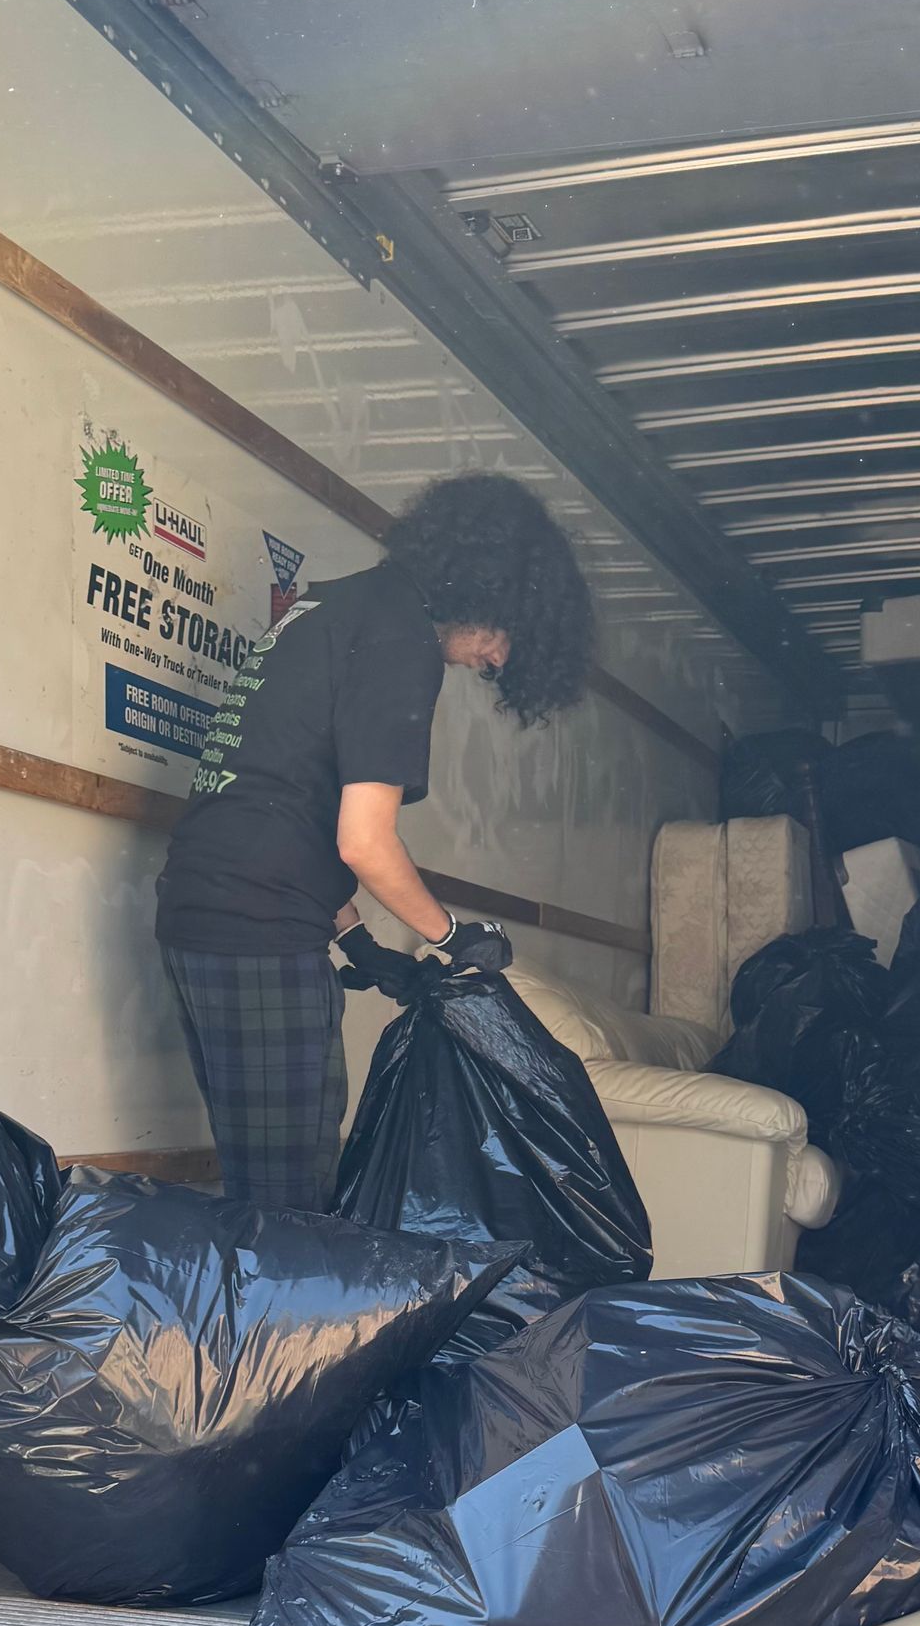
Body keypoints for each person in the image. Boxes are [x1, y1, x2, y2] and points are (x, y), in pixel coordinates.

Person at [154, 470, 596, 1209]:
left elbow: (281, 796)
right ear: (494, 595)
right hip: (258, 932)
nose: (499, 661)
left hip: (205, 913)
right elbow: (363, 839)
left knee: (258, 1192)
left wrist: (356, 937)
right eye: (512, 637)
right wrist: (454, 934)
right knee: (291, 1210)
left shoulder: (341, 603)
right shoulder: (400, 642)